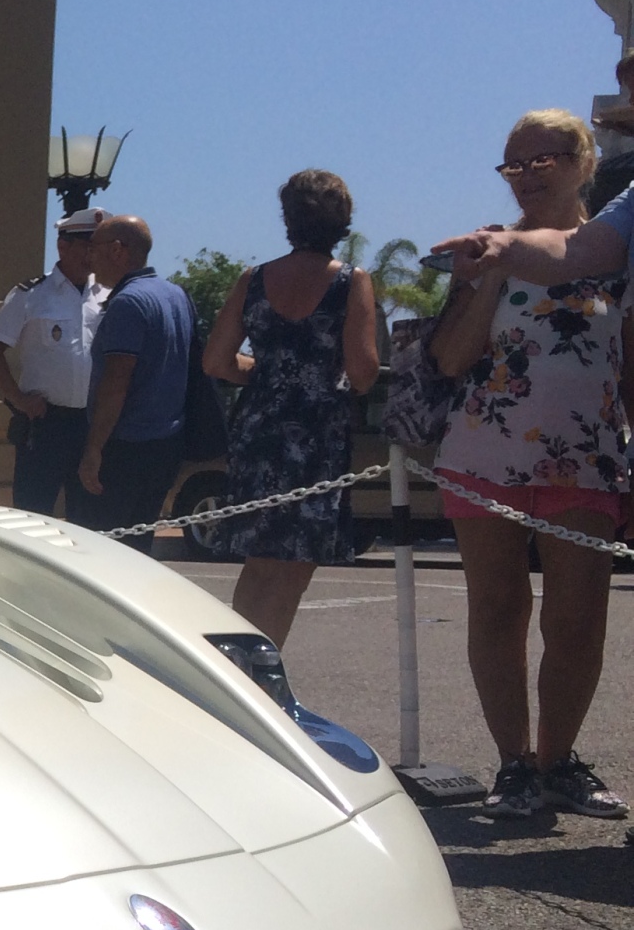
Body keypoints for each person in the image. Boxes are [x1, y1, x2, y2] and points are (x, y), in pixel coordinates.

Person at [428, 109, 630, 820]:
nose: (526, 177)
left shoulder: (613, 249)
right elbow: (451, 358)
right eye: (514, 165)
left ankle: (558, 760)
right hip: (488, 451)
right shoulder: (491, 248)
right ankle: (515, 765)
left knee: (578, 623)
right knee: (499, 610)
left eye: (543, 160)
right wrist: (489, 275)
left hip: (588, 458)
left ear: (585, 161)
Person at [200, 170, 379, 643]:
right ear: (343, 220)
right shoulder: (351, 282)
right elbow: (363, 372)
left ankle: (239, 669)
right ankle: (264, 673)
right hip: (317, 432)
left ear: (288, 218)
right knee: (295, 566)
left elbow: (216, 361)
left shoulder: (254, 279)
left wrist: (264, 374)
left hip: (259, 427)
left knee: (258, 564)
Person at [0, 207, 109, 515]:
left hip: (92, 425)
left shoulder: (107, 295)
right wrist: (18, 399)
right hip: (46, 423)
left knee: (90, 518)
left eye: (97, 248)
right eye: (86, 247)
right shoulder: (31, 294)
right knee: (33, 514)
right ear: (63, 246)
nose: (92, 256)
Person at [72, 215, 193, 535]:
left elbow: (116, 382)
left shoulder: (128, 303)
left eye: (93, 247)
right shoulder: (176, 296)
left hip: (124, 450)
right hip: (165, 445)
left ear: (116, 250)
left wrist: (94, 448)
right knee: (139, 548)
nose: (89, 256)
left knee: (101, 549)